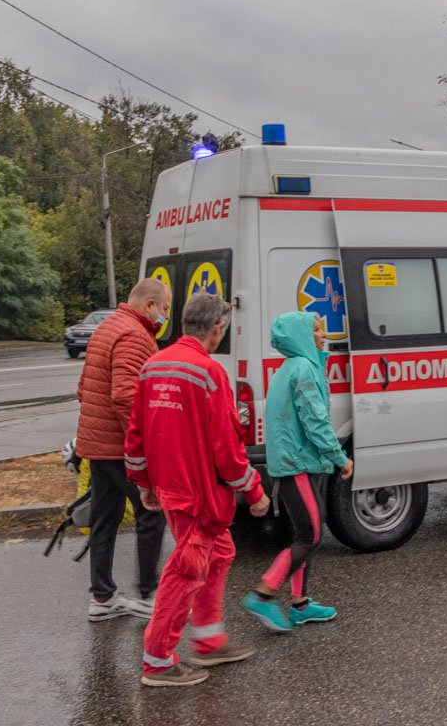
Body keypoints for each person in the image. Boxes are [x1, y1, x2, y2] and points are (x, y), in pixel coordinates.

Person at [125, 293, 271, 688]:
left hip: (171, 487)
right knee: (186, 571)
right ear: (217, 329)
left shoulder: (152, 366)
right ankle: (158, 660)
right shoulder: (208, 372)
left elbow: (136, 436)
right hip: (200, 493)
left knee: (220, 553)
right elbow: (228, 448)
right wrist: (254, 492)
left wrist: (144, 483)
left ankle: (208, 640)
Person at [242, 312, 352, 632]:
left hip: (301, 463)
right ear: (302, 335)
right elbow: (315, 422)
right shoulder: (304, 369)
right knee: (312, 535)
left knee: (305, 535)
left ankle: (301, 605)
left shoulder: (295, 366)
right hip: (298, 465)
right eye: (316, 330)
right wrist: (340, 458)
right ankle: (263, 595)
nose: (323, 334)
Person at [74, 277, 171, 622]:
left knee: (105, 518)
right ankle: (147, 593)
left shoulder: (107, 328)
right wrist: (143, 449)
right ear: (149, 305)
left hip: (97, 445)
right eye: (165, 308)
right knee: (151, 512)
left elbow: (83, 388)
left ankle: (102, 597)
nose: (165, 316)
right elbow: (126, 396)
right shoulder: (133, 335)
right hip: (120, 447)